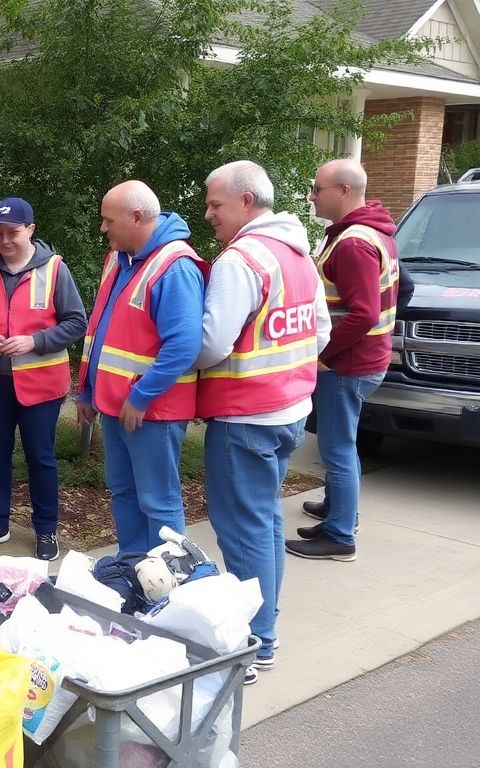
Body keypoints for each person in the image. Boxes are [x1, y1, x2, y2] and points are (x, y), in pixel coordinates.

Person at [195, 161, 331, 685]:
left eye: (216, 205)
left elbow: (211, 344)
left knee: (244, 533)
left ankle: (253, 645)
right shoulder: (297, 252)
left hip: (245, 416)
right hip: (291, 411)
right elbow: (319, 332)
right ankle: (266, 632)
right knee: (267, 525)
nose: (209, 214)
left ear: (247, 202)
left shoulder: (242, 260)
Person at [0, 197, 87, 560]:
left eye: (12, 232)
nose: (5, 241)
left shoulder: (56, 269)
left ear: (31, 229)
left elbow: (77, 322)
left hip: (41, 385)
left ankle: (46, 530)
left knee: (40, 458)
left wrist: (35, 340)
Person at [77, 180, 207, 555]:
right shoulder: (120, 259)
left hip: (151, 410)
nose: (103, 229)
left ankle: (167, 582)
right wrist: (87, 390)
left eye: (108, 220)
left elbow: (183, 345)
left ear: (136, 218)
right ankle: (133, 566)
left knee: (158, 501)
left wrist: (141, 396)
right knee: (124, 491)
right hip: (117, 405)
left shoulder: (175, 266)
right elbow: (99, 330)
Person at [286, 159, 400, 562]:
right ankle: (339, 510)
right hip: (365, 359)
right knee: (342, 445)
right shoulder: (374, 232)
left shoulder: (353, 242)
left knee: (337, 449)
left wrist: (323, 353)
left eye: (318, 189)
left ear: (344, 192)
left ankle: (339, 536)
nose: (312, 196)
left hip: (347, 364)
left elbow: (364, 312)